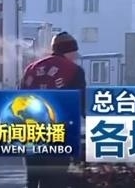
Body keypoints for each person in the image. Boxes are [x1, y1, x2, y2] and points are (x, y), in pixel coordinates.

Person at [20, 32, 87, 188]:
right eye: (74, 52)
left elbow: (19, 98)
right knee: (55, 180)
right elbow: (78, 101)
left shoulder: (31, 68)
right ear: (68, 51)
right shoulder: (73, 70)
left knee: (32, 180)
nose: (75, 56)